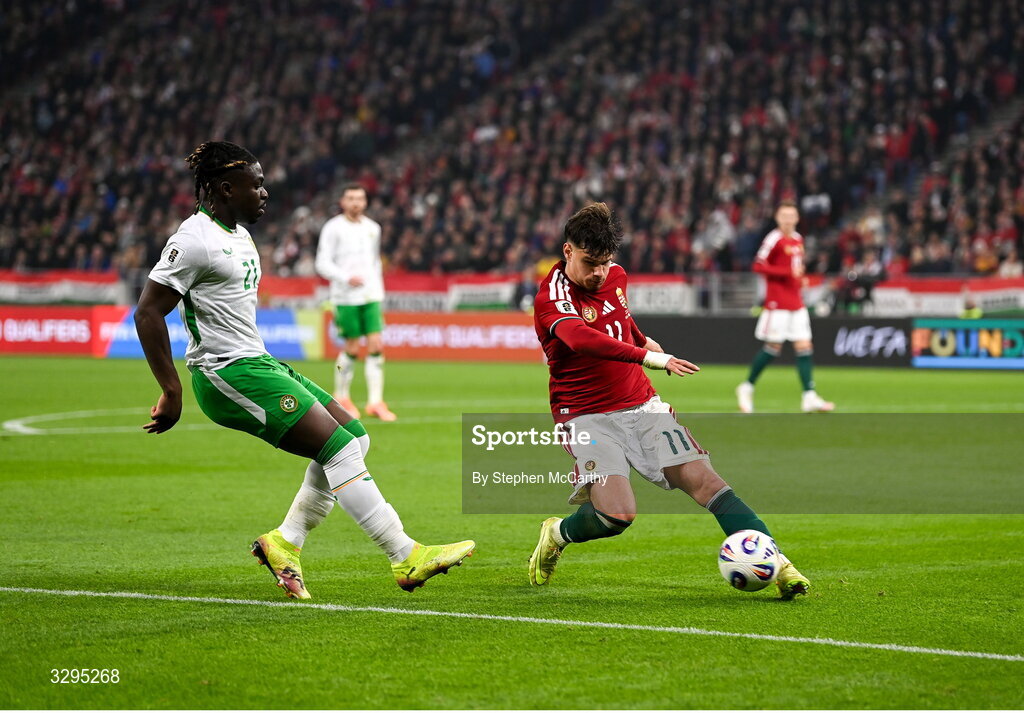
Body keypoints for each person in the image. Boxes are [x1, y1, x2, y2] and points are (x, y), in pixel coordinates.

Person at [135, 142, 473, 600]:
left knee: (355, 437)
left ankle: (284, 542)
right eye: (255, 184)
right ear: (224, 188)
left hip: (256, 361)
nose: (264, 192)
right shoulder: (194, 239)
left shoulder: (237, 233)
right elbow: (148, 312)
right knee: (338, 450)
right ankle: (404, 554)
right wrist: (171, 390)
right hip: (227, 373)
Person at [528, 202, 809, 599]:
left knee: (707, 483)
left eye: (606, 263)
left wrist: (641, 339)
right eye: (591, 263)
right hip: (586, 416)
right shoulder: (551, 295)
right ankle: (558, 532)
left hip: (641, 405)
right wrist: (649, 356)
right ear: (568, 250)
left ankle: (778, 564)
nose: (599, 273)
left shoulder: (616, 277)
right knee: (616, 515)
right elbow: (580, 338)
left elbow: (621, 320)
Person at [736, 201, 834, 413]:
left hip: (796, 300)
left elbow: (796, 269)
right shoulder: (773, 239)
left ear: (797, 218)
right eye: (784, 216)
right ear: (778, 218)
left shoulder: (798, 239)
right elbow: (758, 265)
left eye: (792, 216)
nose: (788, 220)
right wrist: (787, 274)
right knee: (773, 347)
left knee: (804, 346)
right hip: (777, 301)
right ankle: (746, 387)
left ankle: (809, 396)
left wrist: (800, 280)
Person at [316, 185, 396, 421]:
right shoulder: (333, 228)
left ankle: (375, 402)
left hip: (371, 295)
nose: (356, 203)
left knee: (376, 344)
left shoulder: (373, 228)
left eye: (360, 198)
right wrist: (345, 278)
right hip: (345, 297)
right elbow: (322, 263)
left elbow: (374, 263)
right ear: (342, 201)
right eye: (351, 198)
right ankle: (341, 396)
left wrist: (379, 290)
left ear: (366, 202)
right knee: (352, 347)